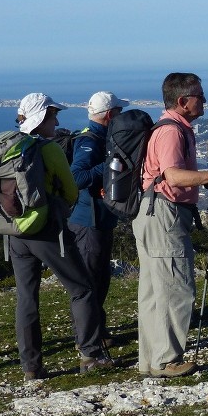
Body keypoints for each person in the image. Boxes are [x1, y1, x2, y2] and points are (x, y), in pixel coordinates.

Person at [133, 73, 208, 378]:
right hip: (164, 214)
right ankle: (168, 360)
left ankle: (152, 361)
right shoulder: (171, 132)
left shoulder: (172, 128)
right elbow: (173, 176)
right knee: (175, 288)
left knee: (155, 291)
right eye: (200, 96)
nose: (204, 100)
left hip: (152, 212)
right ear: (183, 101)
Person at [8, 93, 113, 380]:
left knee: (27, 297)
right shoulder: (46, 148)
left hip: (14, 232)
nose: (57, 121)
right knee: (83, 288)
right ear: (41, 118)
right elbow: (71, 189)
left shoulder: (8, 146)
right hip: (44, 230)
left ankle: (31, 366)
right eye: (53, 116)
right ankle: (90, 354)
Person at [68, 91, 127, 348]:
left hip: (99, 220)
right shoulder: (90, 141)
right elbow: (77, 177)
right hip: (88, 221)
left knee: (100, 280)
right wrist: (110, 164)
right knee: (90, 282)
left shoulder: (102, 137)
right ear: (109, 115)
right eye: (119, 112)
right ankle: (87, 338)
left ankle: (97, 331)